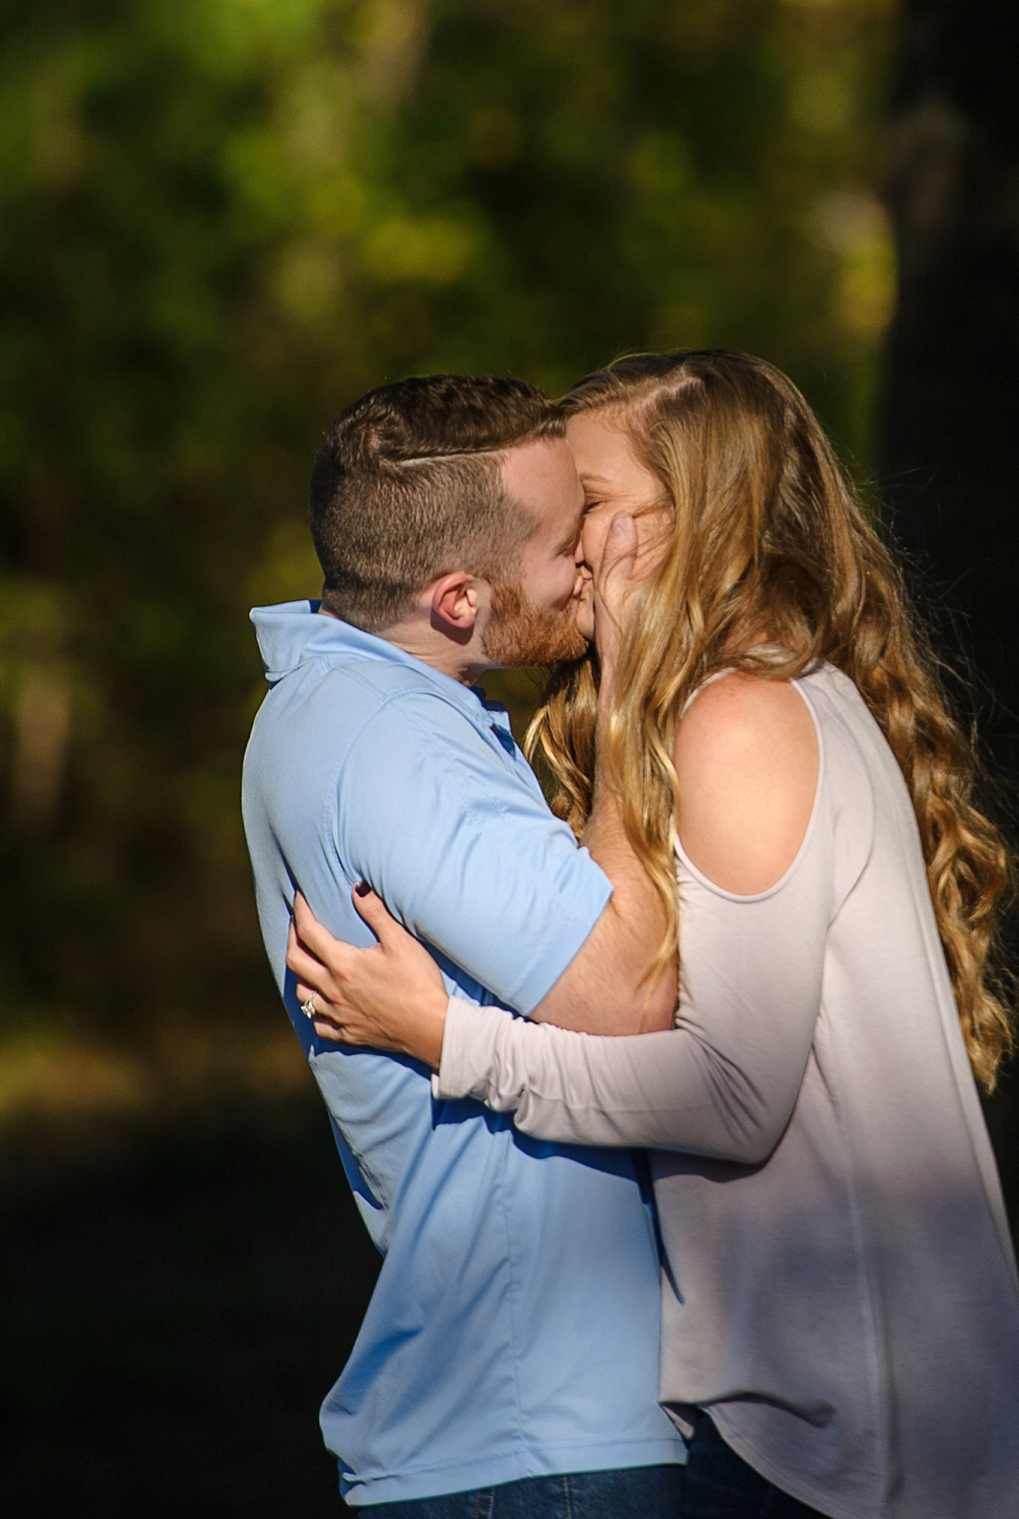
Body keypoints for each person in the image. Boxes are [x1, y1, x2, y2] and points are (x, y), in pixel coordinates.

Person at [289, 352, 1019, 1519]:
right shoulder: (763, 699)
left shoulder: (741, 717)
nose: (567, 542)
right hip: (826, 1422)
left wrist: (456, 1041)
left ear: (692, 521)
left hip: (839, 1441)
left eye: (588, 505)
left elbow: (729, 1090)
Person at [241, 373, 687, 1514]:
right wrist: (635, 668)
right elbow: (627, 988)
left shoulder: (363, 701)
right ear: (455, 597)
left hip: (519, 1424)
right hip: (537, 1434)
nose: (594, 559)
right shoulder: (392, 740)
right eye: (562, 542)